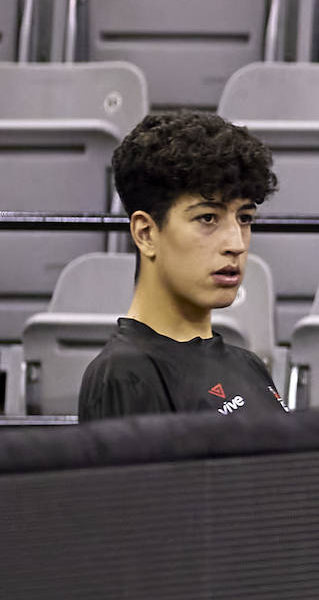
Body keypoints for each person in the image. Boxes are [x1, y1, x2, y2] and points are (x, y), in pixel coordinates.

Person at [79, 110, 288, 421]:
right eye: (208, 218)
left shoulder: (249, 364)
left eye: (244, 218)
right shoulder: (124, 374)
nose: (237, 243)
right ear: (146, 233)